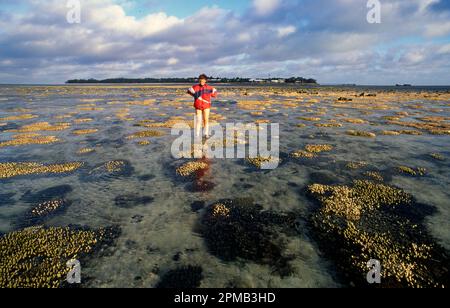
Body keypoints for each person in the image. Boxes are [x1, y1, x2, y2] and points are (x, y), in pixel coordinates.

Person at [187, 74, 218, 138]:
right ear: (199, 80)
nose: (202, 81)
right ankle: (197, 134)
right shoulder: (195, 87)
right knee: (198, 120)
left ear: (205, 80)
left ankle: (206, 134)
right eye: (200, 79)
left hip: (206, 106)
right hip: (198, 106)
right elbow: (189, 90)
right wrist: (195, 96)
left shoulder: (209, 88)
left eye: (203, 79)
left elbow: (215, 93)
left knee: (206, 120)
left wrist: (212, 95)